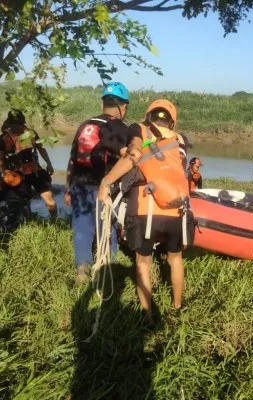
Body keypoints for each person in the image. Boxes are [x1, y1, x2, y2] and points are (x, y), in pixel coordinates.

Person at [97, 99, 188, 324]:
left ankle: (147, 315)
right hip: (177, 208)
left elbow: (134, 155)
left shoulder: (139, 128)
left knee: (142, 262)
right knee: (175, 259)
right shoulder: (180, 139)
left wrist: (106, 182)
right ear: (172, 120)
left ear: (148, 115)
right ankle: (177, 307)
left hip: (146, 207)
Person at [64, 82, 138, 284]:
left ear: (103, 102)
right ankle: (108, 272)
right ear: (123, 106)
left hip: (79, 184)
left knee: (82, 229)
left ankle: (82, 271)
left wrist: (68, 188)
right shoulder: (117, 127)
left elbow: (72, 159)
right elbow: (130, 156)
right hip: (102, 188)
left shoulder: (85, 125)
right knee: (108, 231)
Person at [0, 110, 57, 216]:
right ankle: (27, 222)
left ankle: (55, 221)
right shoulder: (3, 138)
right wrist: (1, 177)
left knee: (48, 198)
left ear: (23, 123)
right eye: (14, 124)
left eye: (19, 124)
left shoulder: (31, 134)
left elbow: (41, 148)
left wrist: (49, 163)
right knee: (23, 202)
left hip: (35, 171)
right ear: (10, 124)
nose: (17, 127)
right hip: (16, 174)